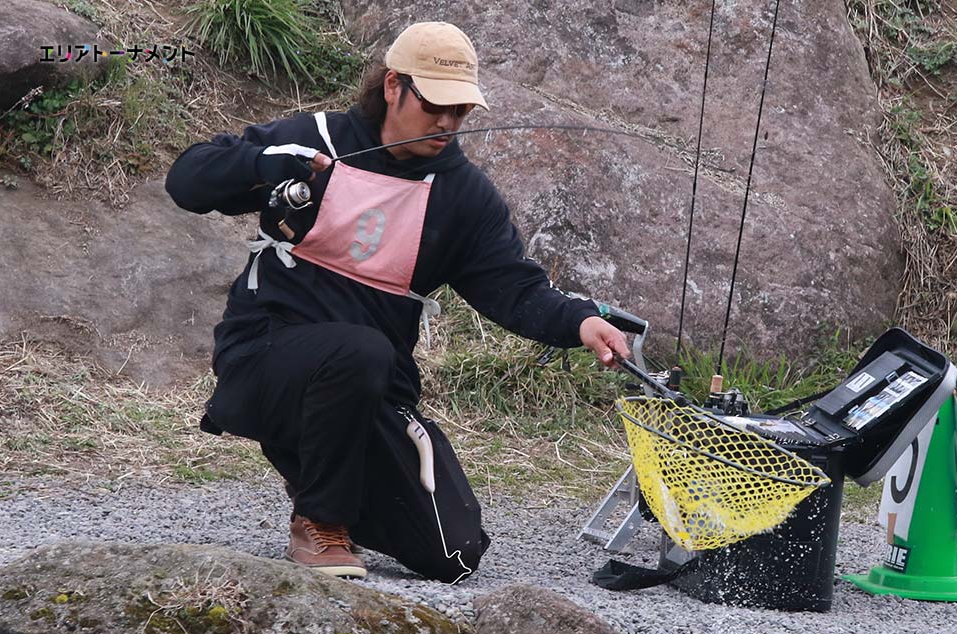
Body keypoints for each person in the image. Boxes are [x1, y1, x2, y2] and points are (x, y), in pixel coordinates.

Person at [164, 21, 630, 583]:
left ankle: (330, 481)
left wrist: (582, 322)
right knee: (357, 351)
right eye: (435, 104)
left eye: (460, 111)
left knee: (453, 557)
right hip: (265, 357)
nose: (447, 123)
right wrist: (265, 165)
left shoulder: (464, 196)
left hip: (373, 387)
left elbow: (515, 290)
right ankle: (320, 519)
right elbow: (187, 182)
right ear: (393, 86)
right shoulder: (315, 138)